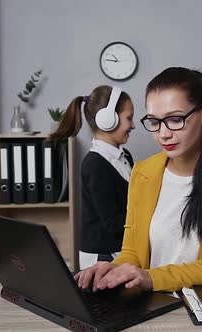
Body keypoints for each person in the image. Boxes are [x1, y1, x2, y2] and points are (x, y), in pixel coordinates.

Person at [74, 67, 202, 292]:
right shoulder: (143, 172)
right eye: (154, 121)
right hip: (155, 302)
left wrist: (151, 278)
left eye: (174, 119)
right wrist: (111, 269)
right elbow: (133, 253)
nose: (163, 133)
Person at [50, 85, 135, 270]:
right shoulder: (94, 164)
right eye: (129, 118)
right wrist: (150, 214)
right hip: (103, 256)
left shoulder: (125, 156)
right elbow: (112, 222)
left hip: (120, 250)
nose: (133, 125)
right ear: (108, 120)